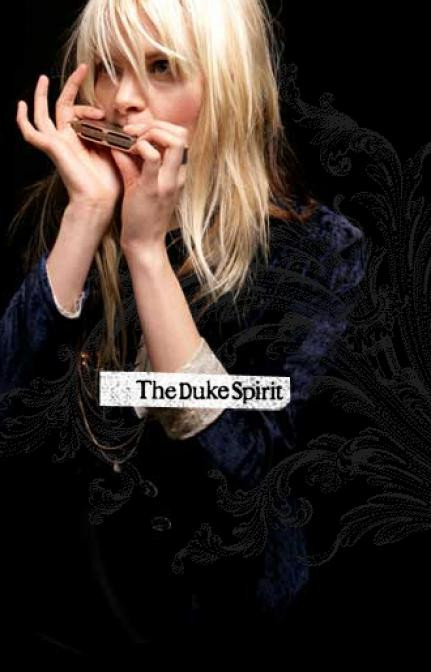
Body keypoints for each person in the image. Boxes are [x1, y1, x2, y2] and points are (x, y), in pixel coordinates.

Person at [0, 0, 367, 662]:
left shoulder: (319, 254)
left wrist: (145, 253)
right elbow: (12, 422)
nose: (123, 100)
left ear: (226, 87)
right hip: (65, 623)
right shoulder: (73, 205)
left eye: (162, 66)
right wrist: (86, 216)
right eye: (109, 67)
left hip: (227, 634)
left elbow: (246, 479)